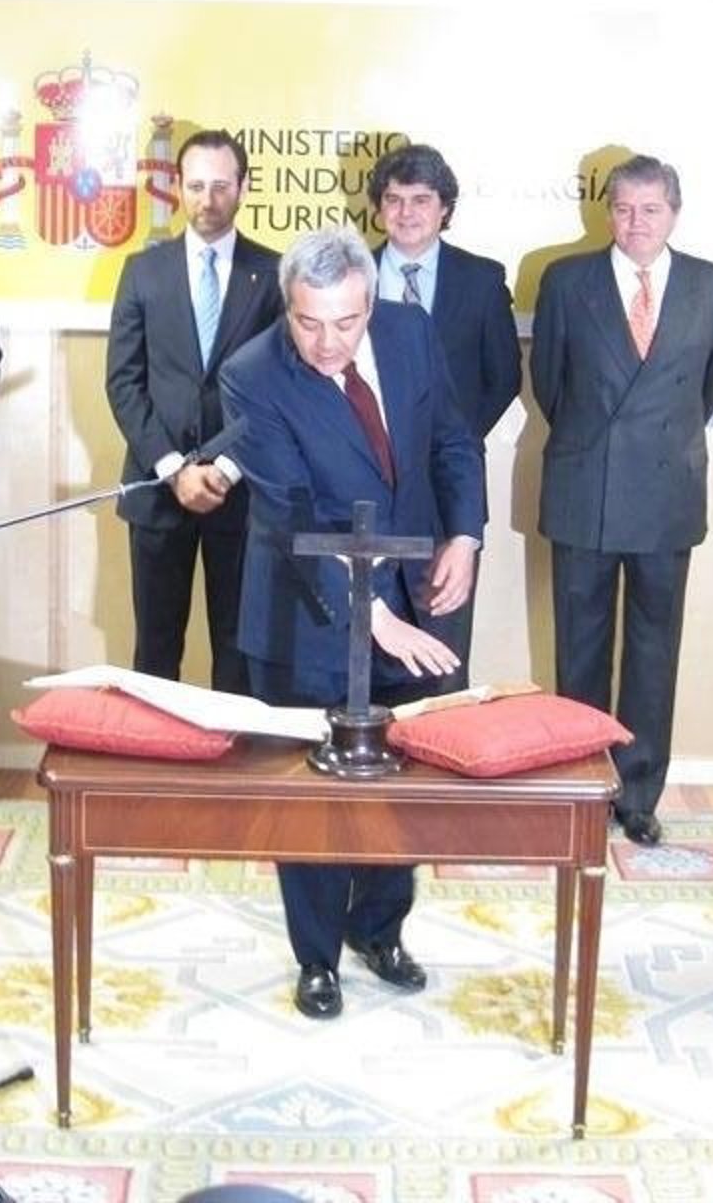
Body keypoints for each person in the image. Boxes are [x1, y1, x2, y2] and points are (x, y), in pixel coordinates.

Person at [220, 226, 485, 1019]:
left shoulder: (410, 333)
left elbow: (453, 439)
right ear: (286, 306)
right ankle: (317, 957)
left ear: (370, 302)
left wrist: (465, 536)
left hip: (417, 597)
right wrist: (372, 617)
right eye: (308, 322)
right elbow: (292, 511)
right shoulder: (251, 375)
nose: (328, 341)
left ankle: (380, 929)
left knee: (403, 783)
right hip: (307, 615)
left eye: (345, 321)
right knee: (311, 795)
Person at [530, 154, 713, 847]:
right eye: (622, 209)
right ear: (607, 212)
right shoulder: (566, 281)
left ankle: (640, 795)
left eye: (650, 209)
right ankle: (582, 783)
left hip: (668, 494)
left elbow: (706, 387)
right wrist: (596, 445)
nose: (636, 222)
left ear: (674, 212)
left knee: (654, 651)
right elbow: (551, 386)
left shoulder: (710, 284)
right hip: (584, 486)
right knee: (580, 649)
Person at [106, 129, 282, 695]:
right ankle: (155, 753)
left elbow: (282, 389)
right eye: (197, 186)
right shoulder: (142, 270)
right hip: (158, 490)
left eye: (221, 186)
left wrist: (225, 469)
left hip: (242, 492)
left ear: (244, 188)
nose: (208, 199)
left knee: (239, 649)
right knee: (156, 650)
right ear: (178, 187)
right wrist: (172, 468)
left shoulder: (275, 273)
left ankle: (232, 755)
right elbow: (123, 382)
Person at [367, 142, 521, 675]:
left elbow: (503, 377)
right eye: (394, 199)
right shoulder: (349, 275)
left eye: (421, 200)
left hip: (447, 496)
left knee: (440, 657)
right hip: (361, 486)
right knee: (362, 648)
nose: (406, 213)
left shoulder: (481, 280)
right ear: (378, 208)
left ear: (445, 208)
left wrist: (445, 443)